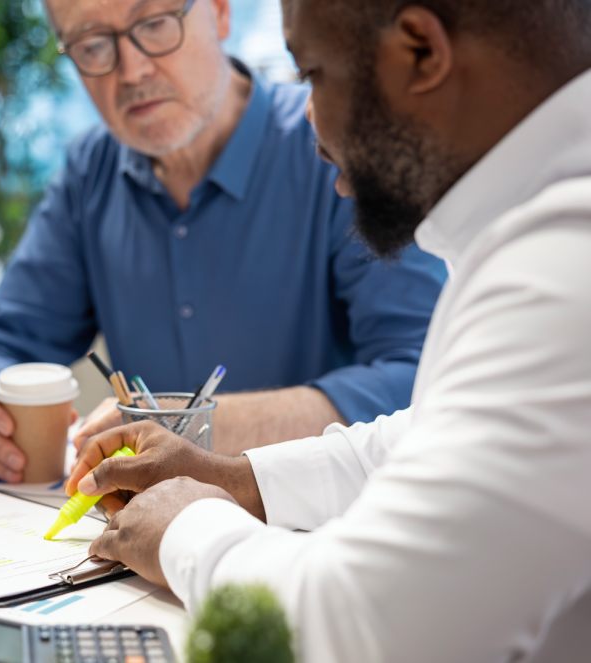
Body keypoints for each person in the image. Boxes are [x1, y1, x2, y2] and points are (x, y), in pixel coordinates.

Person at [66, 0, 591, 660]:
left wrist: (185, 526)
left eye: (313, 74)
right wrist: (234, 478)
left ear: (421, 52)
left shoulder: (567, 268)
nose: (310, 122)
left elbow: (362, 627)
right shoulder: (544, 228)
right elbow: (427, 436)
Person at [0, 0, 446, 483]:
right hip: (150, 544)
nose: (133, 70)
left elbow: (421, 379)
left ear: (220, 12)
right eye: (92, 45)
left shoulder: (333, 148)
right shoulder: (93, 170)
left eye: (155, 25)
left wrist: (193, 428)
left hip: (322, 531)